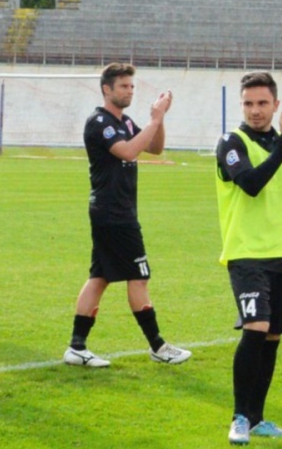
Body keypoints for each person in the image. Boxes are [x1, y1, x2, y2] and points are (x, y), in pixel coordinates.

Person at [213, 70, 282, 444]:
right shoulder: (232, 142)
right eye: (248, 103)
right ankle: (239, 418)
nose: (255, 110)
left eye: (263, 103)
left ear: (276, 104)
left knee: (273, 335)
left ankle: (259, 418)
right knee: (256, 327)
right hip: (246, 253)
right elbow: (250, 183)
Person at [64, 63, 191, 367]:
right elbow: (129, 151)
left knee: (100, 277)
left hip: (115, 211)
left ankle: (76, 347)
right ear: (107, 89)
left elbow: (156, 148)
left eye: (132, 86)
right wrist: (154, 119)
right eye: (123, 86)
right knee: (139, 276)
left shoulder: (125, 121)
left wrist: (159, 121)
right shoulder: (100, 122)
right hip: (114, 214)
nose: (129, 91)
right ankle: (158, 346)